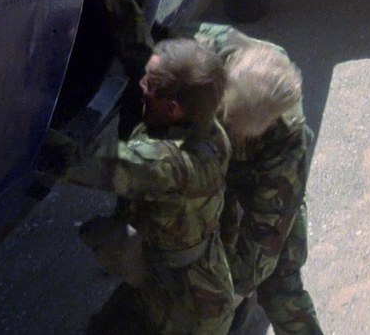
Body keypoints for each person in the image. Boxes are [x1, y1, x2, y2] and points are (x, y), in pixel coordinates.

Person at [46, 38, 236, 334]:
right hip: (186, 278)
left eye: (150, 85)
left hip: (187, 309)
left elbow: (84, 163)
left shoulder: (168, 164)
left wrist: (26, 133)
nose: (141, 85)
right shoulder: (205, 123)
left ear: (173, 108)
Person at [180, 23, 325, 335]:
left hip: (257, 173)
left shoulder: (286, 138)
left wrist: (229, 292)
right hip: (202, 155)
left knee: (280, 287)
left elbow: (266, 234)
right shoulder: (191, 58)